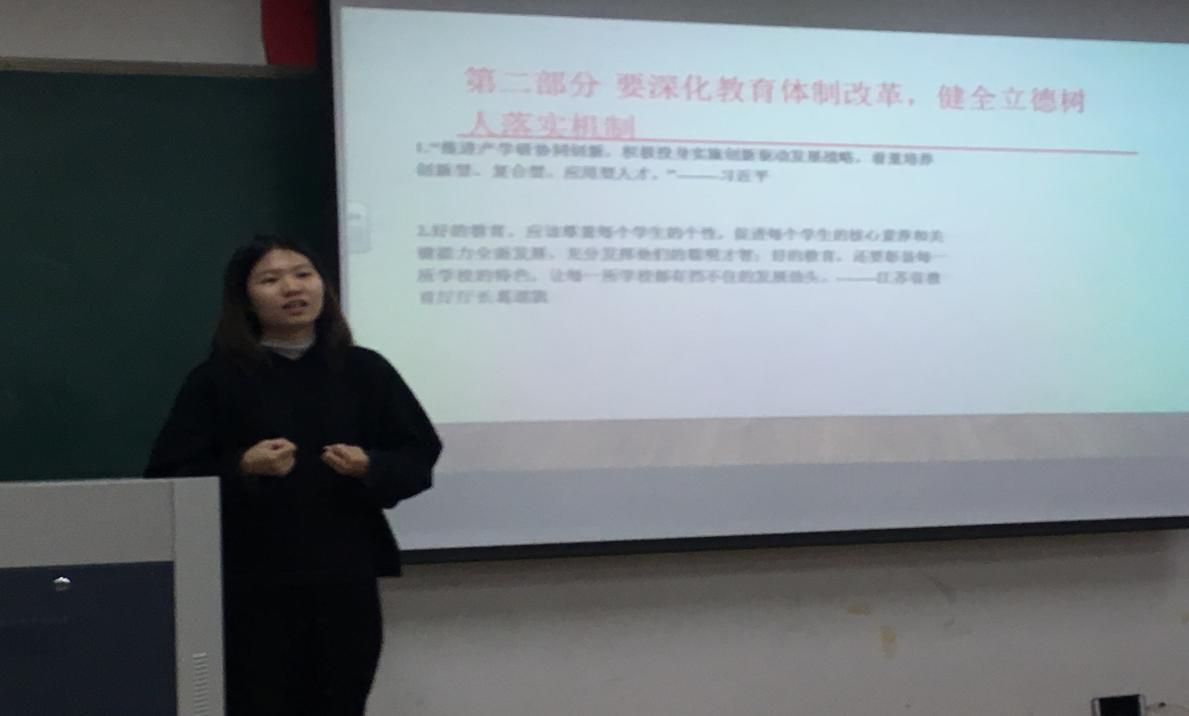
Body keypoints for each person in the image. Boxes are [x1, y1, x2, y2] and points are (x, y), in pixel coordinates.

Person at [145, 235, 441, 716]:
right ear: (246, 299)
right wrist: (242, 466)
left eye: (303, 274)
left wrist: (372, 466)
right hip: (250, 583)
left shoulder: (365, 370)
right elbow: (168, 478)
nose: (292, 288)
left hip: (344, 577)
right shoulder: (216, 379)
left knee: (341, 701)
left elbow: (417, 457)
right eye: (271, 279)